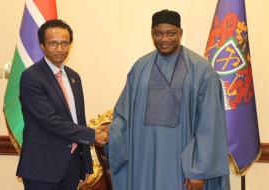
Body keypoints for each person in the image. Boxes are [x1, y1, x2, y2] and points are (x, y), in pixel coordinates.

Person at [108, 9, 230, 190]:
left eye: (170, 33)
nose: (164, 39)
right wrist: (108, 134)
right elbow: (123, 115)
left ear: (180, 33)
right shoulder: (140, 68)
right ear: (152, 35)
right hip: (145, 162)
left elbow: (210, 124)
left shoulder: (202, 71)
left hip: (184, 168)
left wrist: (199, 170)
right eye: (158, 33)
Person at [16, 19, 108, 190]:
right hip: (42, 167)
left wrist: (86, 164)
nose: (59, 49)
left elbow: (78, 119)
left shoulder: (74, 77)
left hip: (71, 166)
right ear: (42, 45)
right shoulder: (31, 77)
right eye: (53, 44)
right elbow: (49, 120)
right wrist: (92, 135)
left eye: (64, 43)